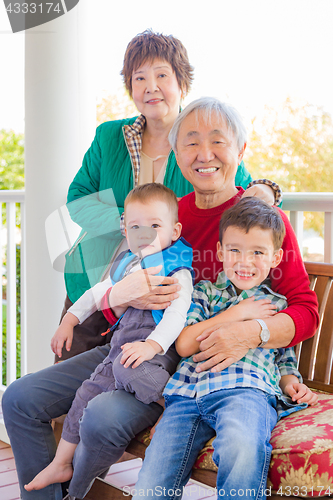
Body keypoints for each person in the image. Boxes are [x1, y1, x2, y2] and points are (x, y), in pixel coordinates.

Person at [2, 98, 318, 500]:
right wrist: (119, 294)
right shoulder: (167, 216)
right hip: (129, 345)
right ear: (176, 154)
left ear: (240, 151)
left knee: (100, 415)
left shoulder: (257, 223)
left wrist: (252, 332)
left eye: (218, 141)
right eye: (190, 142)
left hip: (175, 366)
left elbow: (305, 310)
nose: (204, 154)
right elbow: (121, 276)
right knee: (19, 398)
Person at [61, 29, 279, 360]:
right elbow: (78, 198)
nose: (151, 87)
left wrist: (269, 189)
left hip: (162, 295)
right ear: (130, 87)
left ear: (182, 82)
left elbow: (243, 190)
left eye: (162, 75)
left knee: (122, 381)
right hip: (99, 280)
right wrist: (128, 222)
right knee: (63, 386)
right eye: (139, 78)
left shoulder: (198, 140)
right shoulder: (108, 138)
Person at [133, 197, 318, 499]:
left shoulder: (275, 306)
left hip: (246, 392)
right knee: (155, 473)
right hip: (186, 397)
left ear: (275, 257)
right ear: (220, 251)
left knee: (243, 446)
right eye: (234, 250)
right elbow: (184, 344)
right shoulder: (203, 293)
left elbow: (285, 360)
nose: (245, 262)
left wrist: (292, 384)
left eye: (258, 252)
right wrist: (236, 313)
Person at [24, 183, 193, 494]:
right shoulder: (127, 265)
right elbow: (95, 294)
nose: (145, 234)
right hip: (118, 351)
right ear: (125, 231)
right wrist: (69, 321)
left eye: (155, 226)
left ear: (174, 230)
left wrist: (151, 345)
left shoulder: (176, 270)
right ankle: (61, 463)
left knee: (129, 369)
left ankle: (172, 402)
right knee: (85, 394)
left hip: (155, 353)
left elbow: (177, 315)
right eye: (136, 227)